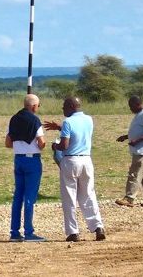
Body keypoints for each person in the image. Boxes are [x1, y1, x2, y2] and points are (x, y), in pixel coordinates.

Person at [44, 97, 106, 242]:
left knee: (69, 197)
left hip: (71, 160)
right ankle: (98, 227)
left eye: (64, 106)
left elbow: (64, 145)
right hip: (86, 160)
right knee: (88, 194)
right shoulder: (89, 119)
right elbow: (78, 132)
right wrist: (60, 127)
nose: (62, 109)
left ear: (71, 106)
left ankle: (73, 232)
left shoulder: (68, 122)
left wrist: (54, 146)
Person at [6, 94, 45, 241]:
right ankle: (29, 232)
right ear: (34, 106)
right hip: (32, 160)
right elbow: (41, 142)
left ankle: (14, 232)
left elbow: (8, 143)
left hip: (18, 159)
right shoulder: (35, 120)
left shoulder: (14, 119)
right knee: (29, 197)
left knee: (18, 196)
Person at [115, 95, 143, 207]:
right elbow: (140, 130)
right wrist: (126, 136)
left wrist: (137, 140)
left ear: (137, 104)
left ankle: (129, 198)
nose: (130, 109)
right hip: (139, 149)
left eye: (131, 106)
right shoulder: (139, 115)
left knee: (134, 173)